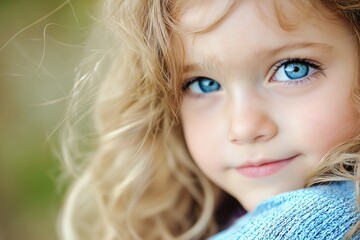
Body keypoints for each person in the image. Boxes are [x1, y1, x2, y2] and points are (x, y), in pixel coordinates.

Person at [59, 0, 360, 239]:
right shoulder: (212, 212)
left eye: (293, 69)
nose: (243, 128)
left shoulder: (322, 218)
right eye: (203, 84)